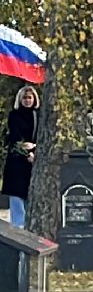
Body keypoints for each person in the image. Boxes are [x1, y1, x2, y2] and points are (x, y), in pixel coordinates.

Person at [4, 85, 38, 225]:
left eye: (29, 97)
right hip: (17, 161)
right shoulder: (14, 115)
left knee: (31, 198)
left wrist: (34, 149)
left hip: (33, 160)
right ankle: (17, 229)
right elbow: (14, 137)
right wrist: (25, 150)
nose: (27, 100)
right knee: (17, 199)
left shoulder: (38, 115)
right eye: (24, 98)